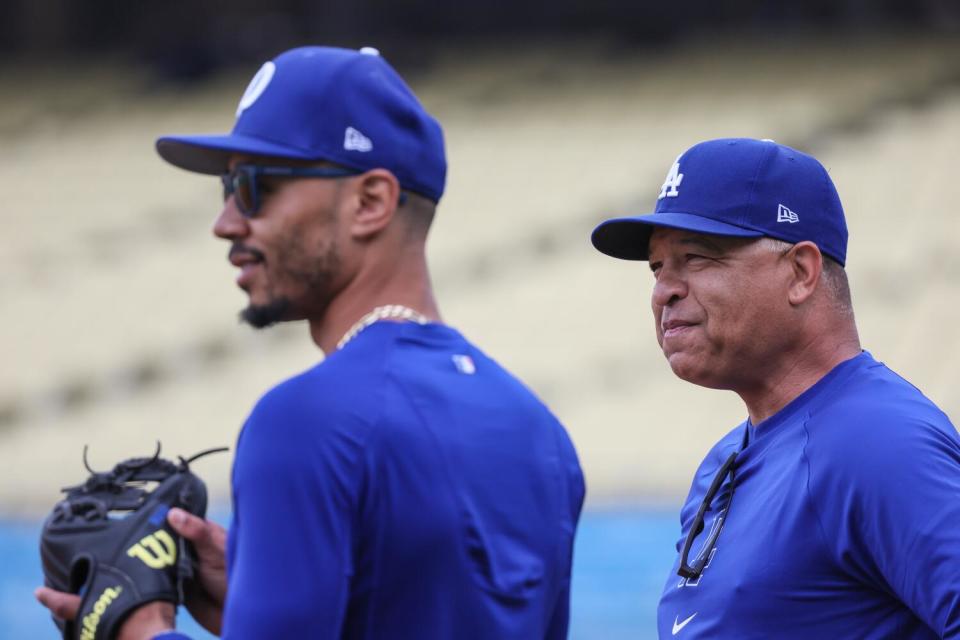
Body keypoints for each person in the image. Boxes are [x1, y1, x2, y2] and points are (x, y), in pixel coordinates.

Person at [36, 45, 585, 639]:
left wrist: (137, 629)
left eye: (254, 186)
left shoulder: (304, 420)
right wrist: (264, 595)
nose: (225, 222)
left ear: (370, 202)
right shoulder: (541, 432)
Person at [591, 138, 960, 639]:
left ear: (801, 272)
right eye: (657, 268)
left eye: (696, 257)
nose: (663, 291)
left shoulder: (880, 442)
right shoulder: (724, 459)